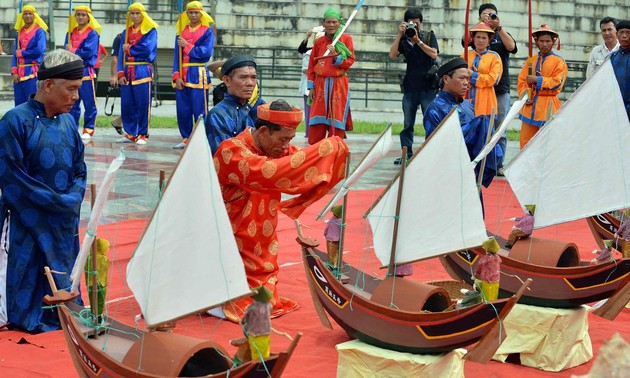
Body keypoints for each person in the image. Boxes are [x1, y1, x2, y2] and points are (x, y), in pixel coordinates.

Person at [214, 99, 348, 323]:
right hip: (230, 246)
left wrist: (335, 156)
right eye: (283, 139)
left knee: (265, 299)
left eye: (290, 139)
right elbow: (271, 172)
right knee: (251, 303)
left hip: (261, 246)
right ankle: (217, 301)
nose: (287, 146)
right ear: (264, 131)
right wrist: (329, 147)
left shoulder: (274, 149)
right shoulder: (232, 151)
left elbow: (302, 163)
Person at [0, 49, 87, 333]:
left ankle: (59, 313)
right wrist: (54, 202)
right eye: (71, 89)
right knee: (25, 282)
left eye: (78, 89)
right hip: (26, 217)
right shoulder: (15, 121)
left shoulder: (69, 122)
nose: (76, 97)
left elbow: (79, 169)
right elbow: (11, 176)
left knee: (62, 275)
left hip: (62, 218)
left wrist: (71, 199)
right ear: (48, 85)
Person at [423, 57, 501, 190]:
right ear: (446, 79)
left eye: (467, 79)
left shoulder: (466, 104)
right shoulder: (436, 109)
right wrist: (478, 125)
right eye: (462, 78)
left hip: (470, 172)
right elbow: (438, 147)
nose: (466, 83)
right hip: (448, 177)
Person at [389, 7, 438, 164]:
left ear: (421, 23)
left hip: (428, 87)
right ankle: (406, 153)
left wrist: (418, 41)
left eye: (416, 24)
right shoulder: (404, 39)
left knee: (429, 121)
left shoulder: (429, 36)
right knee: (407, 123)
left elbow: (434, 54)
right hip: (410, 86)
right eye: (410, 24)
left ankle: (429, 153)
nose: (413, 27)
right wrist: (399, 34)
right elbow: (392, 55)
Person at [477, 4, 517, 176]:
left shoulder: (501, 35)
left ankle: (498, 164)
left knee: (500, 128)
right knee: (478, 125)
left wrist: (498, 28)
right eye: (484, 15)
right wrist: (480, 26)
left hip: (500, 89)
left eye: (491, 15)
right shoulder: (476, 35)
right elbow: (465, 42)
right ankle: (479, 160)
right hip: (479, 89)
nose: (488, 18)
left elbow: (512, 47)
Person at [307, 7, 354, 145]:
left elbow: (350, 61)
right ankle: (315, 152)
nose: (331, 25)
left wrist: (336, 55)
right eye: (328, 22)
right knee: (317, 119)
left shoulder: (346, 39)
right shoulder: (318, 42)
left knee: (336, 118)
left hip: (338, 84)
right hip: (320, 85)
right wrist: (311, 87)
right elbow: (311, 66)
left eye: (334, 22)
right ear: (323, 23)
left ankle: (335, 150)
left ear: (340, 23)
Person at [172, 1, 215, 149]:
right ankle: (186, 138)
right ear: (187, 14)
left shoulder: (207, 31)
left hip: (198, 73)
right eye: (190, 12)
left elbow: (205, 53)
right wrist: (176, 76)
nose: (193, 15)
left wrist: (187, 46)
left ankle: (200, 138)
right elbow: (176, 57)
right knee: (183, 109)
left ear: (201, 14)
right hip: (183, 74)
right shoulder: (180, 31)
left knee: (199, 109)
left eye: (196, 12)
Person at [517, 24, 567, 149]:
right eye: (542, 41)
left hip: (548, 105)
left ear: (553, 42)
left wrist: (538, 80)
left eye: (548, 41)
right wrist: (525, 95)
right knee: (525, 142)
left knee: (547, 143)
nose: (545, 44)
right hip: (530, 105)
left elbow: (557, 82)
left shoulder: (559, 61)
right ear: (536, 42)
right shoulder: (530, 61)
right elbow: (522, 81)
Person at [117, 2, 158, 145]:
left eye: (137, 13)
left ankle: (142, 133)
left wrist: (130, 48)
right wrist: (120, 73)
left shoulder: (150, 31)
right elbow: (120, 53)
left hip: (142, 70)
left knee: (142, 103)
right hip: (127, 70)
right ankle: (130, 132)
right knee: (127, 104)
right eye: (132, 13)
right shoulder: (126, 32)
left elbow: (147, 49)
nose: (134, 16)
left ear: (143, 14)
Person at [206, 55, 260, 153]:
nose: (250, 83)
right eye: (243, 77)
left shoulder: (255, 111)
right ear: (227, 80)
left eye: (253, 77)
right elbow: (225, 156)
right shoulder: (218, 115)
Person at [65, 5, 102, 140]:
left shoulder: (92, 33)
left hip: (85, 70)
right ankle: (72, 127)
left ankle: (89, 128)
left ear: (88, 17)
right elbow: (65, 51)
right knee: (72, 101)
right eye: (78, 15)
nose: (80, 17)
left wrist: (73, 50)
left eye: (83, 15)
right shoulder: (70, 32)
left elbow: (89, 52)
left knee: (88, 101)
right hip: (72, 71)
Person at [462, 22, 502, 117]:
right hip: (465, 98)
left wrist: (473, 75)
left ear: (489, 40)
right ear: (473, 38)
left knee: (484, 130)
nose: (481, 40)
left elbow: (494, 80)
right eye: (478, 37)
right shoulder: (465, 54)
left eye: (484, 38)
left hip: (486, 100)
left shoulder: (494, 57)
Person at [11, 5, 47, 106]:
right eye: (25, 14)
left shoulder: (39, 31)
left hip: (33, 72)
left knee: (32, 101)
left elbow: (40, 50)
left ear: (34, 15)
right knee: (19, 103)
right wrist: (14, 71)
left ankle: (33, 121)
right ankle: (21, 122)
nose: (27, 16)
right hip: (19, 72)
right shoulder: (19, 32)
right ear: (22, 16)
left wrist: (22, 53)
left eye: (30, 13)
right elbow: (15, 53)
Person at [298, 26, 324, 138]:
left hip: (322, 86)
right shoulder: (309, 53)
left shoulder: (325, 53)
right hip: (310, 87)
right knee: (310, 111)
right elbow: (305, 69)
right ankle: (309, 133)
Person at [241, 286, 273, 361]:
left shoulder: (251, 308)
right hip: (266, 332)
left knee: (256, 350)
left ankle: (257, 362)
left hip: (254, 333)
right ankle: (265, 360)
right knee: (265, 349)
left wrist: (242, 322)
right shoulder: (269, 306)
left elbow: (246, 318)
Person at [610, 20, 630, 122]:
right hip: (616, 108)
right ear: (617, 35)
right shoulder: (612, 57)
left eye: (628, 32)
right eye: (621, 32)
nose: (624, 36)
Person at [109, 32, 123, 134]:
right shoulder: (119, 38)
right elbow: (114, 58)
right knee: (131, 103)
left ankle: (118, 121)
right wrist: (114, 75)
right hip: (124, 74)